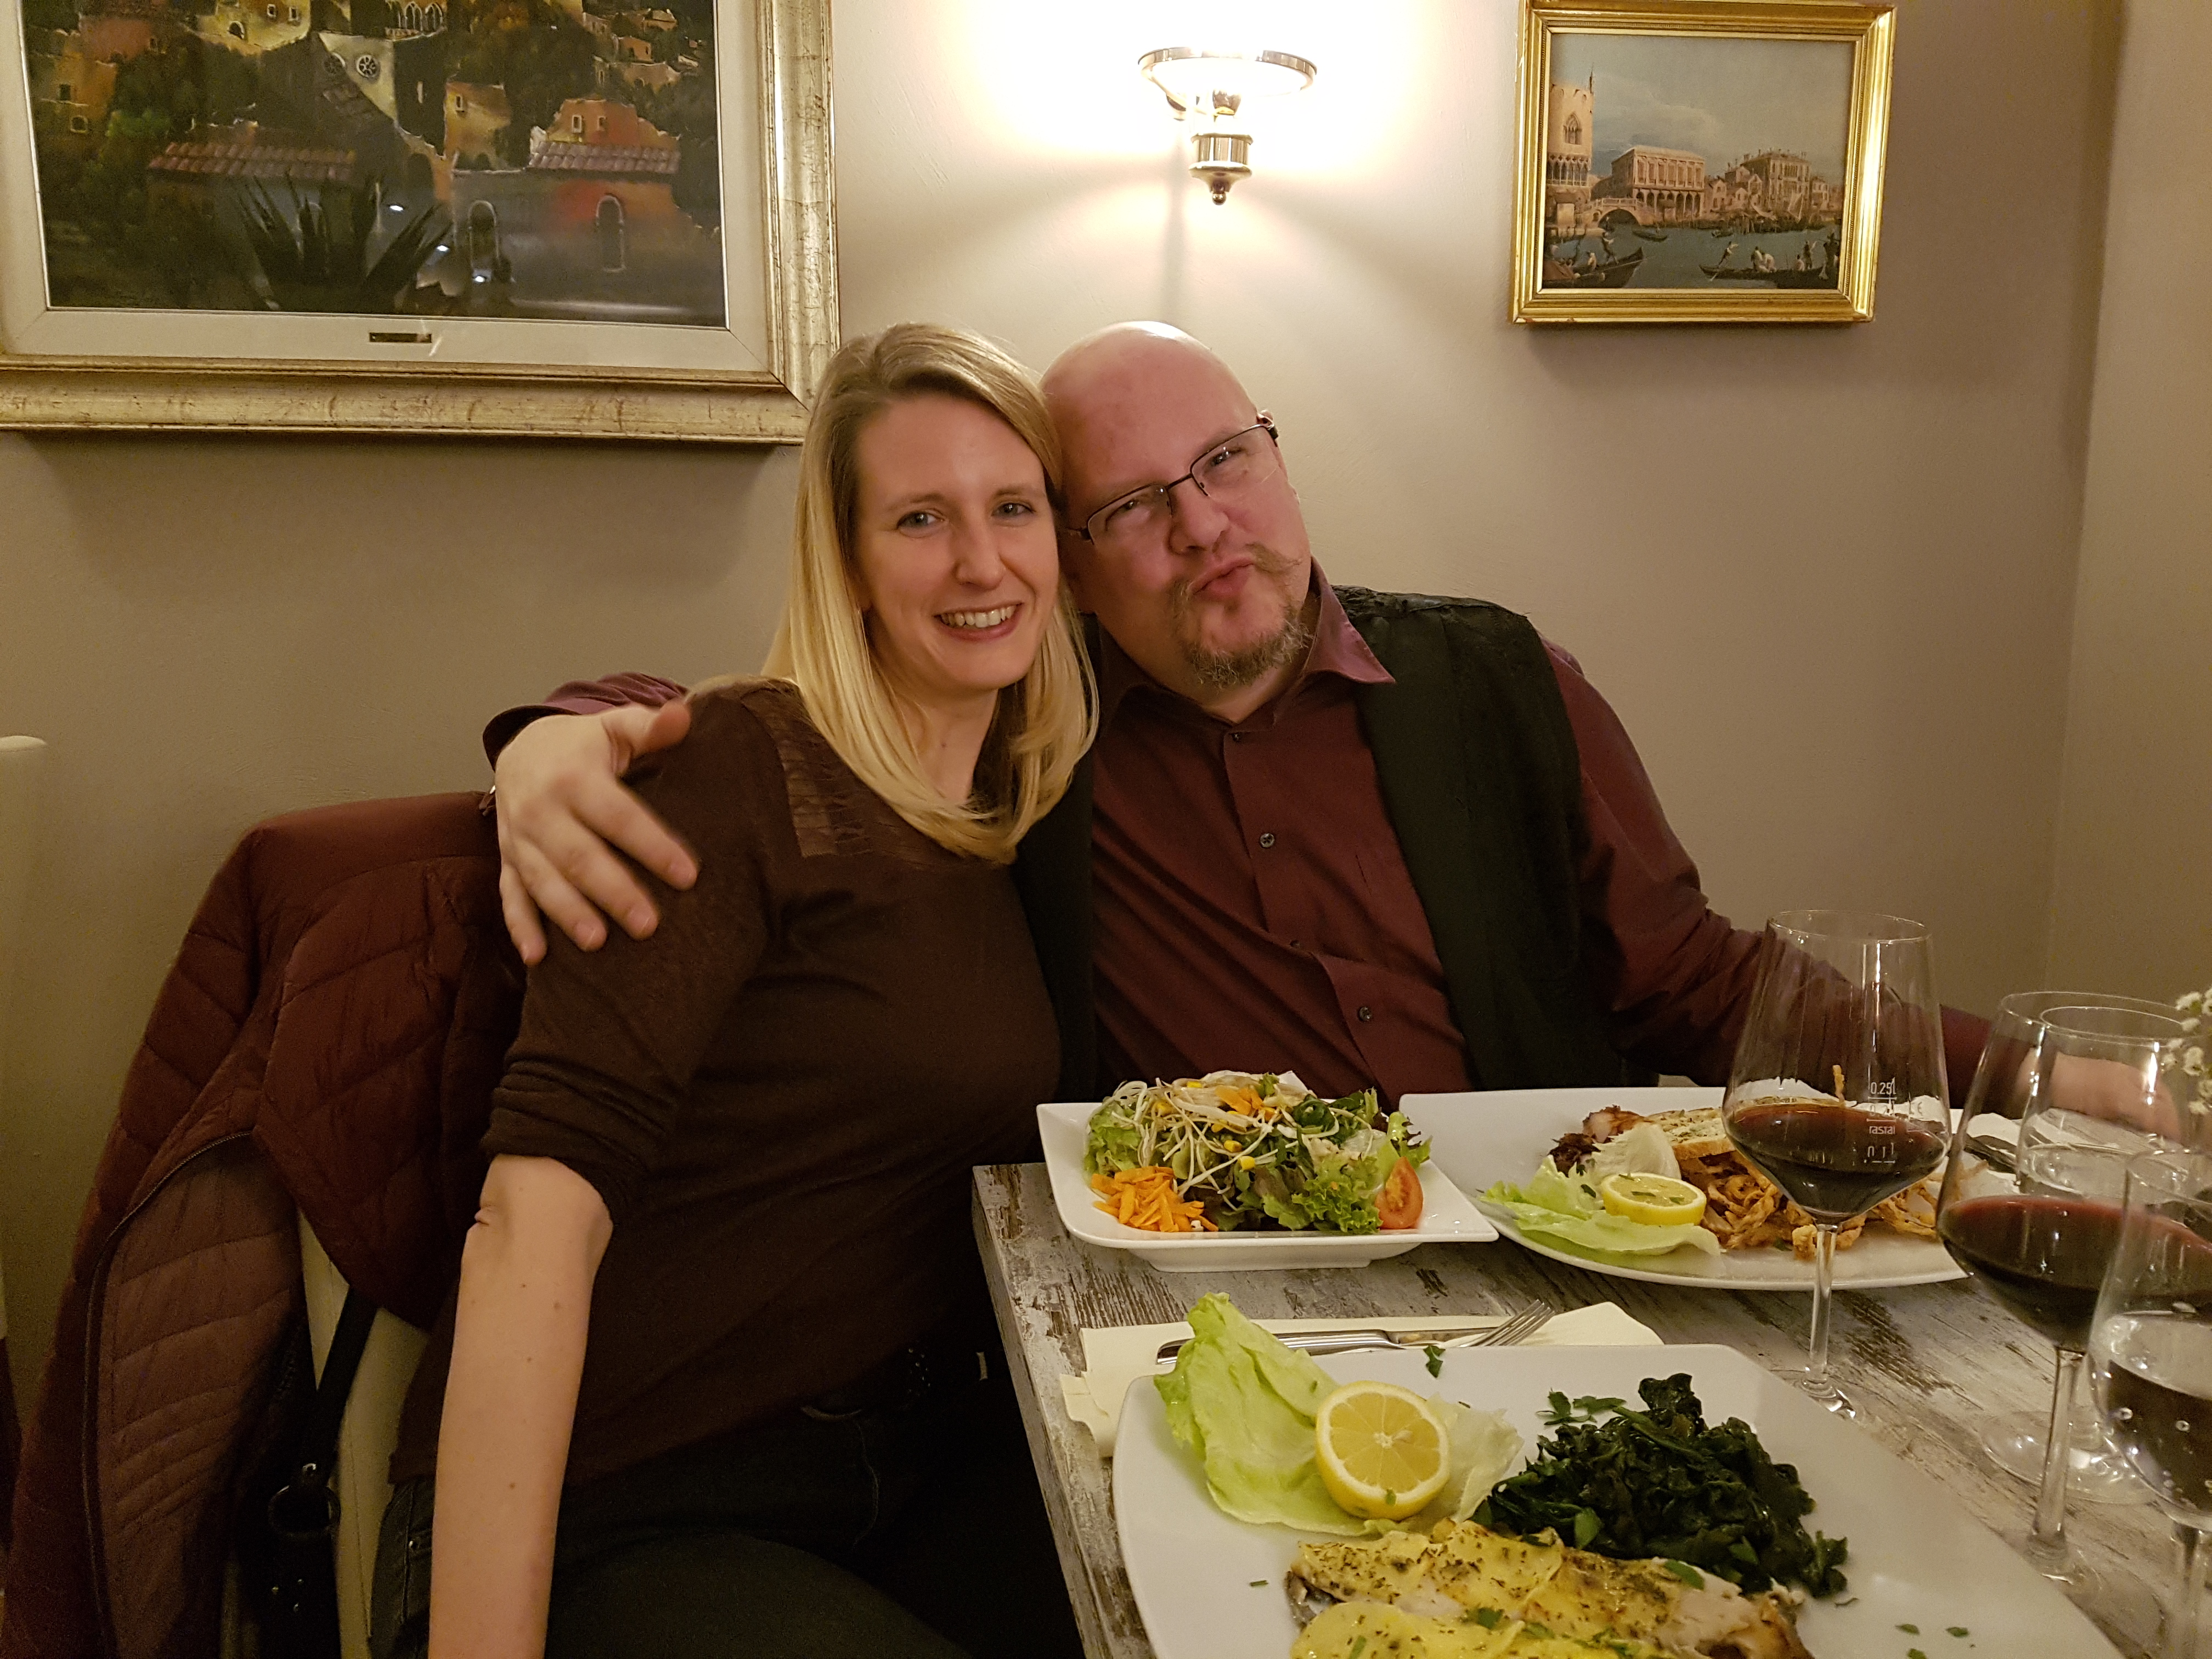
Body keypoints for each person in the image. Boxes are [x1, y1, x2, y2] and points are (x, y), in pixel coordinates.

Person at [487, 322, 1991, 1116]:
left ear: (1277, 455)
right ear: (1071, 566)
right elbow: (803, 717)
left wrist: (2023, 1084)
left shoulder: (1501, 680)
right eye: (1133, 505)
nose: (1204, 527)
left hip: (1542, 1267)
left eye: (1225, 461)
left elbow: (1700, 983)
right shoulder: (1027, 727)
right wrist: (563, 734)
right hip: (1197, 1305)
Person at [380, 324, 1095, 1659]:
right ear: (848, 562)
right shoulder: (740, 775)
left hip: (892, 1478)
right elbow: (531, 1226)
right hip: (624, 1498)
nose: (981, 562)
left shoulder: (1012, 818)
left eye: (1014, 508)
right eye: (921, 518)